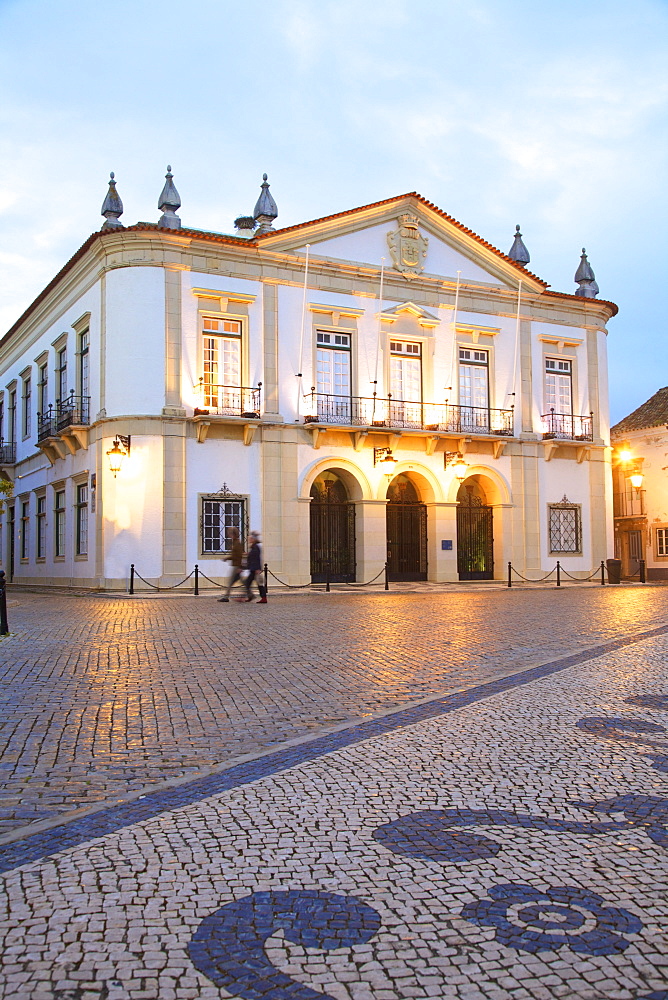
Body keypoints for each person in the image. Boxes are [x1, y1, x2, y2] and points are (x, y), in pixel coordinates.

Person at [217, 526, 244, 602]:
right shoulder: (234, 542)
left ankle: (226, 597)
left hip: (236, 565)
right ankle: (249, 593)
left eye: (229, 534)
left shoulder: (237, 543)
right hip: (235, 565)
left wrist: (227, 558)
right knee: (242, 581)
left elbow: (239, 556)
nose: (228, 535)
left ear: (233, 534)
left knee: (231, 581)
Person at [244, 531, 267, 603]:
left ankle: (263, 598)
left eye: (250, 538)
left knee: (257, 584)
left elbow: (257, 558)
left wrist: (258, 568)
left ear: (254, 539)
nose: (249, 540)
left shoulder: (256, 547)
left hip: (255, 569)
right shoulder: (254, 547)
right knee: (250, 583)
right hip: (253, 568)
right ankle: (253, 596)